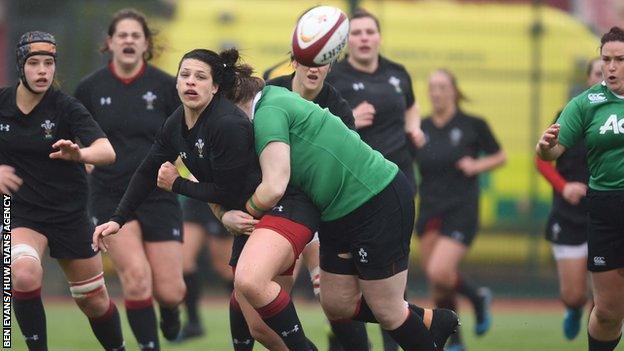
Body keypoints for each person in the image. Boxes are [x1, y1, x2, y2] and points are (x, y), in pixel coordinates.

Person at [91, 48, 319, 351]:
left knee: (259, 315)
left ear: (215, 87)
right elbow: (148, 171)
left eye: (200, 77)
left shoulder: (227, 124)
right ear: (176, 83)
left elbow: (228, 191)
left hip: (280, 210)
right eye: (184, 75)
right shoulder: (176, 122)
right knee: (259, 325)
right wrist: (117, 219)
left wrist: (177, 185)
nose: (190, 82)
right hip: (249, 216)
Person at [227, 73, 460, 351]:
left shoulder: (269, 109)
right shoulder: (266, 107)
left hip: (376, 199)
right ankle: (434, 320)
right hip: (335, 214)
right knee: (336, 304)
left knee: (387, 310)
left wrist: (238, 214)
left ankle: (426, 328)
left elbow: (275, 185)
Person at [1, 31, 124, 350]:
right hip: (21, 214)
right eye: (34, 63)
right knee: (23, 274)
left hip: (69, 215)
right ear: (20, 66)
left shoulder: (66, 108)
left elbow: (107, 151)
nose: (42, 70)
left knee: (93, 301)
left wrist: (80, 154)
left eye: (49, 63)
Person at [74, 9, 185, 349]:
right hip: (109, 194)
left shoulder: (167, 86)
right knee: (136, 279)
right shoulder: (89, 88)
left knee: (170, 291)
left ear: (146, 44)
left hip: (157, 193)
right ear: (109, 43)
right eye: (121, 35)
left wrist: (177, 166)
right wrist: (85, 159)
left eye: (135, 35)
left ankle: (169, 311)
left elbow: (187, 133)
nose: (128, 40)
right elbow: (75, 138)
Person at [326, 10, 424, 348]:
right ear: (346, 41)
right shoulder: (334, 76)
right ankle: (349, 343)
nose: (364, 38)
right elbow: (317, 126)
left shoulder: (398, 73)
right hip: (350, 190)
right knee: (346, 282)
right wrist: (350, 119)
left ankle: (394, 342)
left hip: (396, 186)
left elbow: (411, 106)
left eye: (370, 32)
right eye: (356, 33)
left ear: (379, 37)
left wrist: (414, 127)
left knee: (392, 275)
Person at [266, 58, 371, 351]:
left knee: (334, 298)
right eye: (307, 59)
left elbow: (351, 158)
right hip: (278, 205)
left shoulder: (336, 103)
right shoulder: (271, 88)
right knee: (259, 311)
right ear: (293, 58)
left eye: (322, 61)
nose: (314, 67)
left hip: (321, 206)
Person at [536, 26, 624, 351]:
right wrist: (545, 147)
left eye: (620, 59)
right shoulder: (586, 104)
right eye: (606, 59)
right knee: (608, 313)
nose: (611, 67)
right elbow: (551, 152)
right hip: (604, 209)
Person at [414, 69, 506, 351]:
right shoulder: (421, 128)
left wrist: (476, 165)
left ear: (454, 90)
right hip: (430, 207)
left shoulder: (472, 124)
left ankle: (477, 297)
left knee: (441, 271)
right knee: (438, 286)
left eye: (442, 86)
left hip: (461, 207)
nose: (437, 92)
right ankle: (456, 339)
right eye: (432, 87)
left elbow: (500, 156)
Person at [535, 57, 602, 340]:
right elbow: (542, 160)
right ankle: (574, 308)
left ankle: (597, 335)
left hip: (605, 214)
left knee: (605, 298)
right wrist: (564, 187)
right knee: (574, 295)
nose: (606, 75)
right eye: (598, 71)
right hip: (569, 213)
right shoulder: (570, 114)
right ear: (587, 79)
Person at [177, 194, 234, 341]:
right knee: (183, 262)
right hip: (195, 197)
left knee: (225, 269)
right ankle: (193, 324)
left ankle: (247, 319)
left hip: (219, 197)